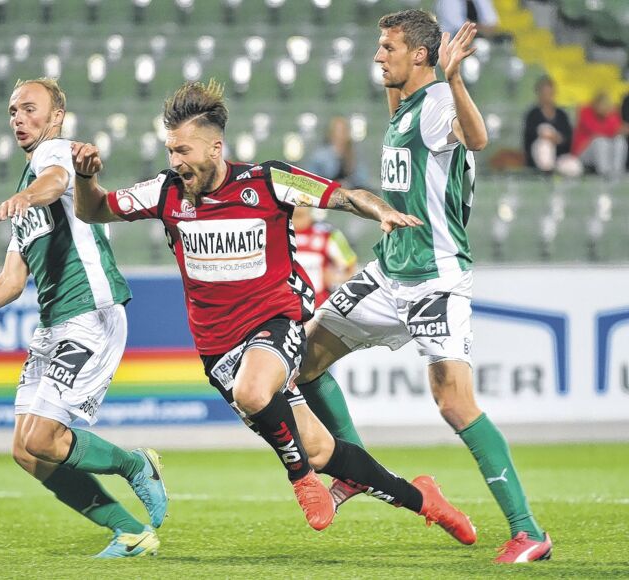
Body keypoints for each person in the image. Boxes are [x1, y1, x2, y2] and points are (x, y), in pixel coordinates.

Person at [70, 79, 477, 544]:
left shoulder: (267, 181)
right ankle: (424, 499)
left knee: (255, 391)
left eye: (183, 150)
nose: (175, 160)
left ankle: (300, 479)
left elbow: (343, 196)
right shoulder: (165, 192)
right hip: (218, 351)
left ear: (215, 147)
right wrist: (85, 178)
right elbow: (93, 210)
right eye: (170, 150)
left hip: (275, 324)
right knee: (321, 450)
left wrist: (381, 211)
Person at [296, 11, 553, 564]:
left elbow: (476, 138)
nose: (377, 55)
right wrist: (422, 40)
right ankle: (355, 469)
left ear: (418, 56)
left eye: (387, 47)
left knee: (454, 403)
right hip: (389, 271)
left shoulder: (437, 103)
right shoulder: (405, 105)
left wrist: (453, 77)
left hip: (434, 279)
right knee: (304, 360)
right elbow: (402, 90)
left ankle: (528, 531)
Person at [0, 78, 167, 559]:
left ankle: (136, 465)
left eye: (29, 108)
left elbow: (56, 181)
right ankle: (130, 532)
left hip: (91, 313)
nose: (18, 118)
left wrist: (31, 195)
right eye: (13, 111)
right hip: (53, 325)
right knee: (26, 451)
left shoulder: (55, 156)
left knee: (42, 438)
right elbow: (10, 282)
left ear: (56, 117)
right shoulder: (25, 190)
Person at [292, 207, 357, 307]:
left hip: (317, 306)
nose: (294, 220)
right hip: (284, 304)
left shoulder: (328, 234)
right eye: (293, 215)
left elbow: (352, 268)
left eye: (299, 215)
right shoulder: (275, 234)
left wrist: (336, 279)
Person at [522, 76, 575, 174]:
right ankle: (547, 174)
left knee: (574, 166)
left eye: (550, 93)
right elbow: (529, 137)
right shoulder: (533, 114)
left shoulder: (561, 115)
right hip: (538, 155)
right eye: (544, 93)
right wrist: (546, 137)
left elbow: (568, 136)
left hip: (560, 156)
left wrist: (558, 139)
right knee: (544, 145)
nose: (547, 96)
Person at [571, 91, 628, 181]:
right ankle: (604, 174)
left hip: (607, 149)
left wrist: (618, 130)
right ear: (595, 105)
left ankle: (617, 172)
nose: (605, 109)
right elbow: (595, 131)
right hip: (583, 152)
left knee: (620, 140)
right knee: (600, 141)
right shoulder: (585, 111)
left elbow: (617, 130)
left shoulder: (611, 114)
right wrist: (615, 130)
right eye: (602, 106)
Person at [306, 116, 371, 190]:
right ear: (331, 133)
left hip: (349, 192)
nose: (341, 135)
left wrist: (347, 184)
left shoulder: (354, 155)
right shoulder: (320, 156)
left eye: (344, 131)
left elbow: (363, 179)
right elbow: (311, 179)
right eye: (338, 131)